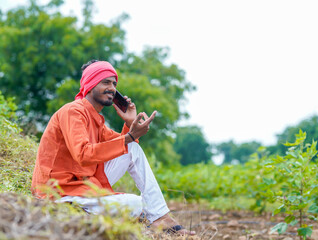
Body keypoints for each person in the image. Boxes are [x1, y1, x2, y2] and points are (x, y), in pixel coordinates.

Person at [31, 60, 195, 235]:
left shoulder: (96, 119)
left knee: (132, 149)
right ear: (90, 84)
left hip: (82, 184)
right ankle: (80, 213)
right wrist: (129, 136)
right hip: (59, 192)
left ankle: (161, 218)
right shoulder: (73, 111)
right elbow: (83, 154)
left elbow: (125, 145)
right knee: (137, 204)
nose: (112, 88)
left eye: (114, 84)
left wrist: (129, 123)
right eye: (106, 82)